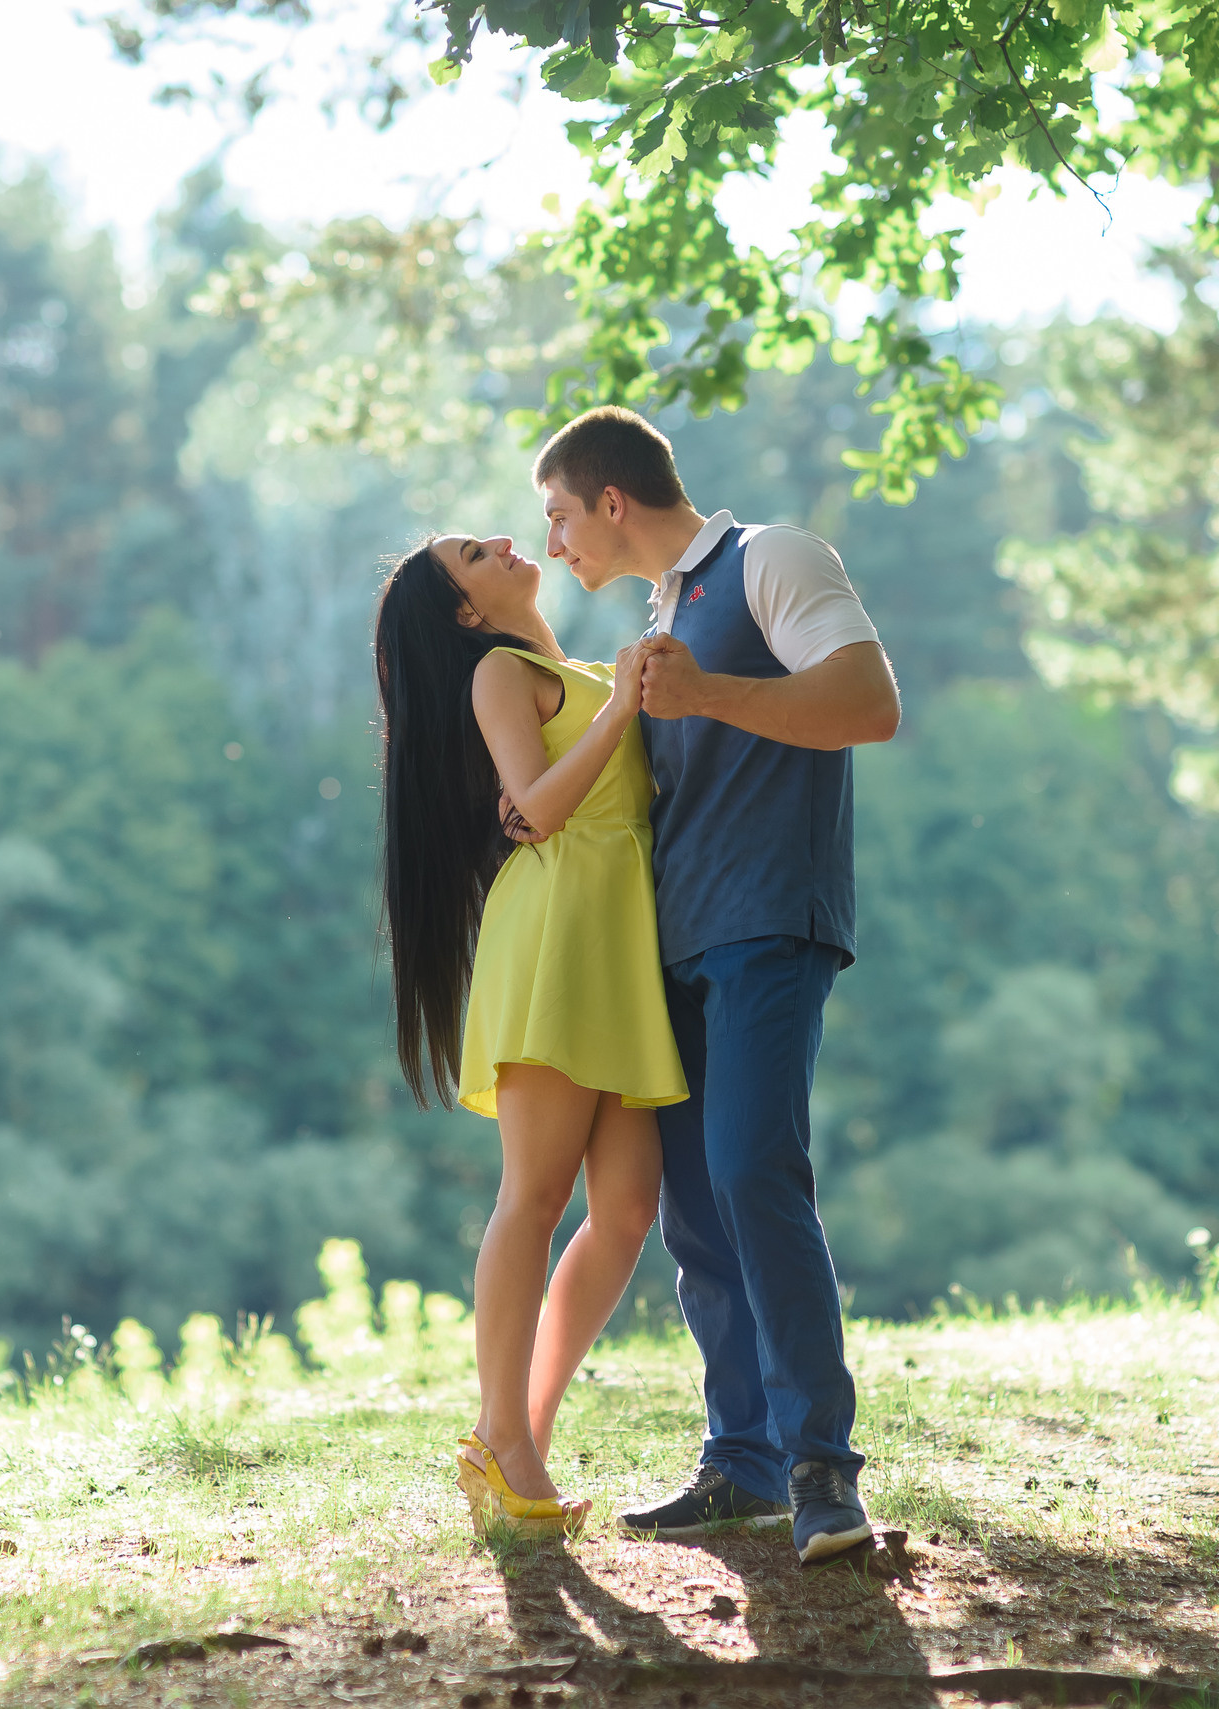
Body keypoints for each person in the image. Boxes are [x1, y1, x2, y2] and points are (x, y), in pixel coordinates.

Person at [515, 405, 901, 1567]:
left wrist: (709, 696)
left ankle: (820, 1470)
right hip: (669, 949)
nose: (555, 542)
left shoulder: (770, 558)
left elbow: (868, 703)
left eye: (559, 516)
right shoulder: (655, 619)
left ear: (611, 502)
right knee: (688, 1201)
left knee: (748, 1168)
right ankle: (739, 1462)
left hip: (770, 920)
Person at [373, 530, 685, 1534]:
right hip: (553, 933)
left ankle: (514, 1431)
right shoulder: (501, 673)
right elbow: (540, 808)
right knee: (536, 1191)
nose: (507, 541)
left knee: (630, 1206)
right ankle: (506, 1439)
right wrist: (622, 706)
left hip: (615, 938)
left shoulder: (570, 668)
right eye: (476, 552)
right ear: (466, 611)